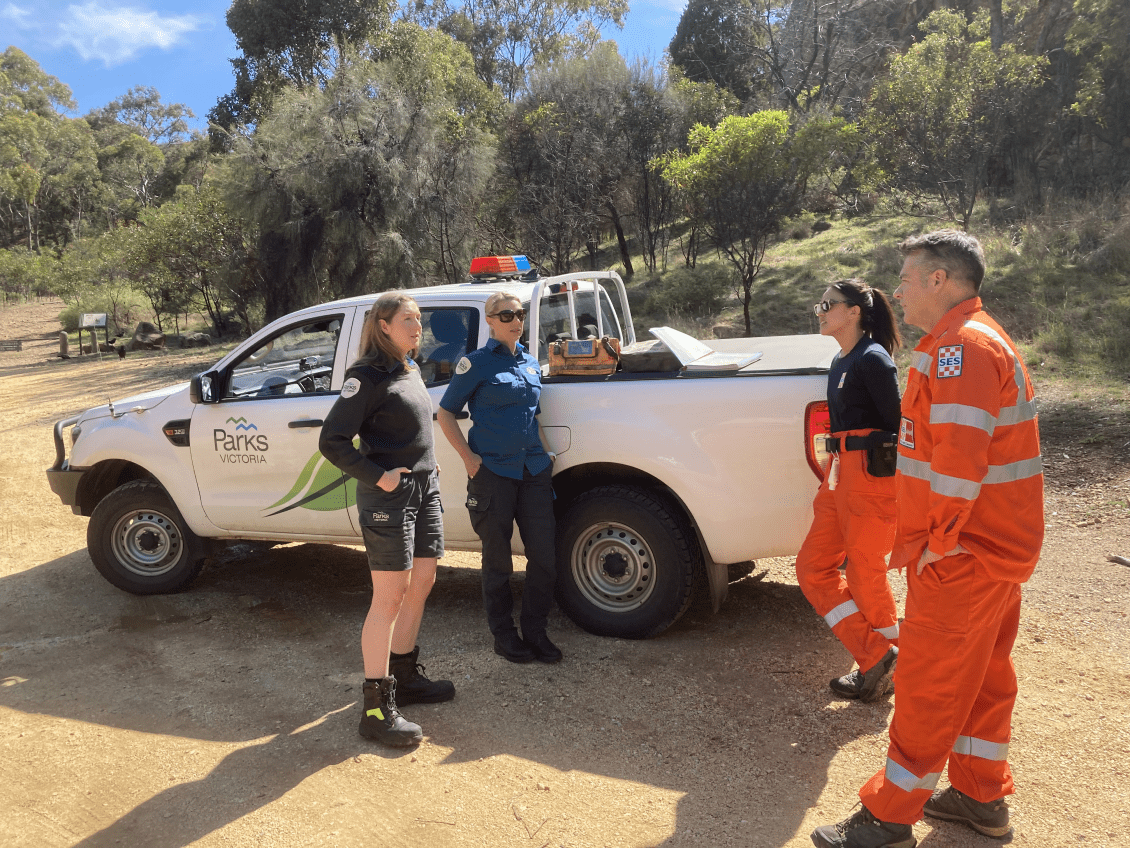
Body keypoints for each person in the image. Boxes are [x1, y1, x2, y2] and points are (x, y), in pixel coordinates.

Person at [812, 230, 1044, 847]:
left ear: (940, 280)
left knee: (929, 682)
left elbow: (956, 466)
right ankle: (978, 795)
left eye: (908, 279)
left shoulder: (961, 350)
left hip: (964, 554)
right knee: (986, 674)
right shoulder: (973, 340)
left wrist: (938, 546)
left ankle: (889, 814)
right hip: (994, 549)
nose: (898, 291)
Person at [319, 292, 454, 748]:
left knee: (423, 582)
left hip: (423, 490)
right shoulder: (367, 376)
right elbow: (332, 441)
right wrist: (379, 476)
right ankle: (375, 709)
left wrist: (426, 465)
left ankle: (405, 676)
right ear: (383, 326)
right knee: (389, 598)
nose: (417, 326)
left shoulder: (409, 368)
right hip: (389, 499)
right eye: (407, 320)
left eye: (419, 318)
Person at [437, 292, 562, 664]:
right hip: (493, 472)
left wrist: (546, 452)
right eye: (505, 314)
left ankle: (536, 632)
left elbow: (533, 415)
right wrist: (469, 458)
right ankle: (504, 636)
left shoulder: (530, 363)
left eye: (519, 313)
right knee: (498, 560)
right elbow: (446, 413)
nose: (515, 319)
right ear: (490, 321)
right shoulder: (474, 364)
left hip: (534, 471)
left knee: (544, 556)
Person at [796, 279, 902, 703]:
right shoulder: (841, 361)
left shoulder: (874, 360)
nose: (819, 311)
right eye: (819, 304)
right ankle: (878, 654)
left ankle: (904, 664)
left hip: (871, 476)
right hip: (838, 474)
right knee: (813, 568)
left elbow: (900, 430)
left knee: (865, 573)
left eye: (828, 304)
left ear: (855, 310)